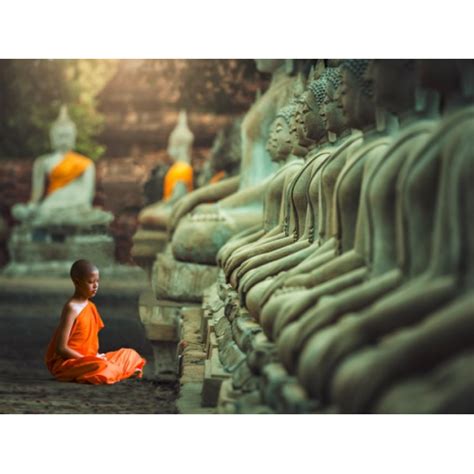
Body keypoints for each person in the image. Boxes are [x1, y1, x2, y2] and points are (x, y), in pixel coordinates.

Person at [45, 259, 146, 384]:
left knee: (130, 354)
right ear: (77, 282)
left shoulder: (91, 306)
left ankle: (116, 371)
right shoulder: (71, 308)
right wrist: (88, 359)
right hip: (71, 362)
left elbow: (90, 343)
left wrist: (97, 356)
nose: (95, 286)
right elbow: (61, 348)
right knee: (103, 367)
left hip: (92, 359)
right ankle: (119, 371)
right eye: (90, 282)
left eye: (97, 281)